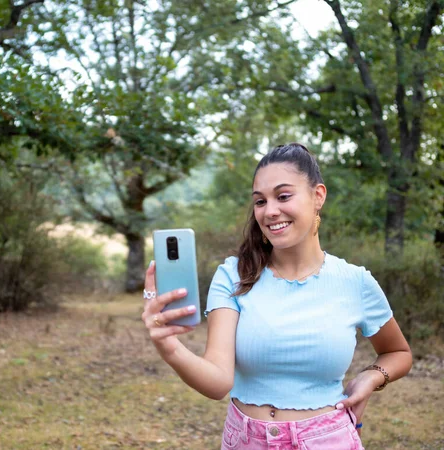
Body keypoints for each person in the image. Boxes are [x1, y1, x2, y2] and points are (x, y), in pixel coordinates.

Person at [141, 143, 412, 449]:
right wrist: (168, 347)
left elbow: (398, 353)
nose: (269, 211)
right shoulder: (234, 275)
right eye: (260, 201)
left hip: (328, 440)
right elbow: (217, 382)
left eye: (283, 196)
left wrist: (372, 376)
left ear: (318, 196)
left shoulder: (355, 281)